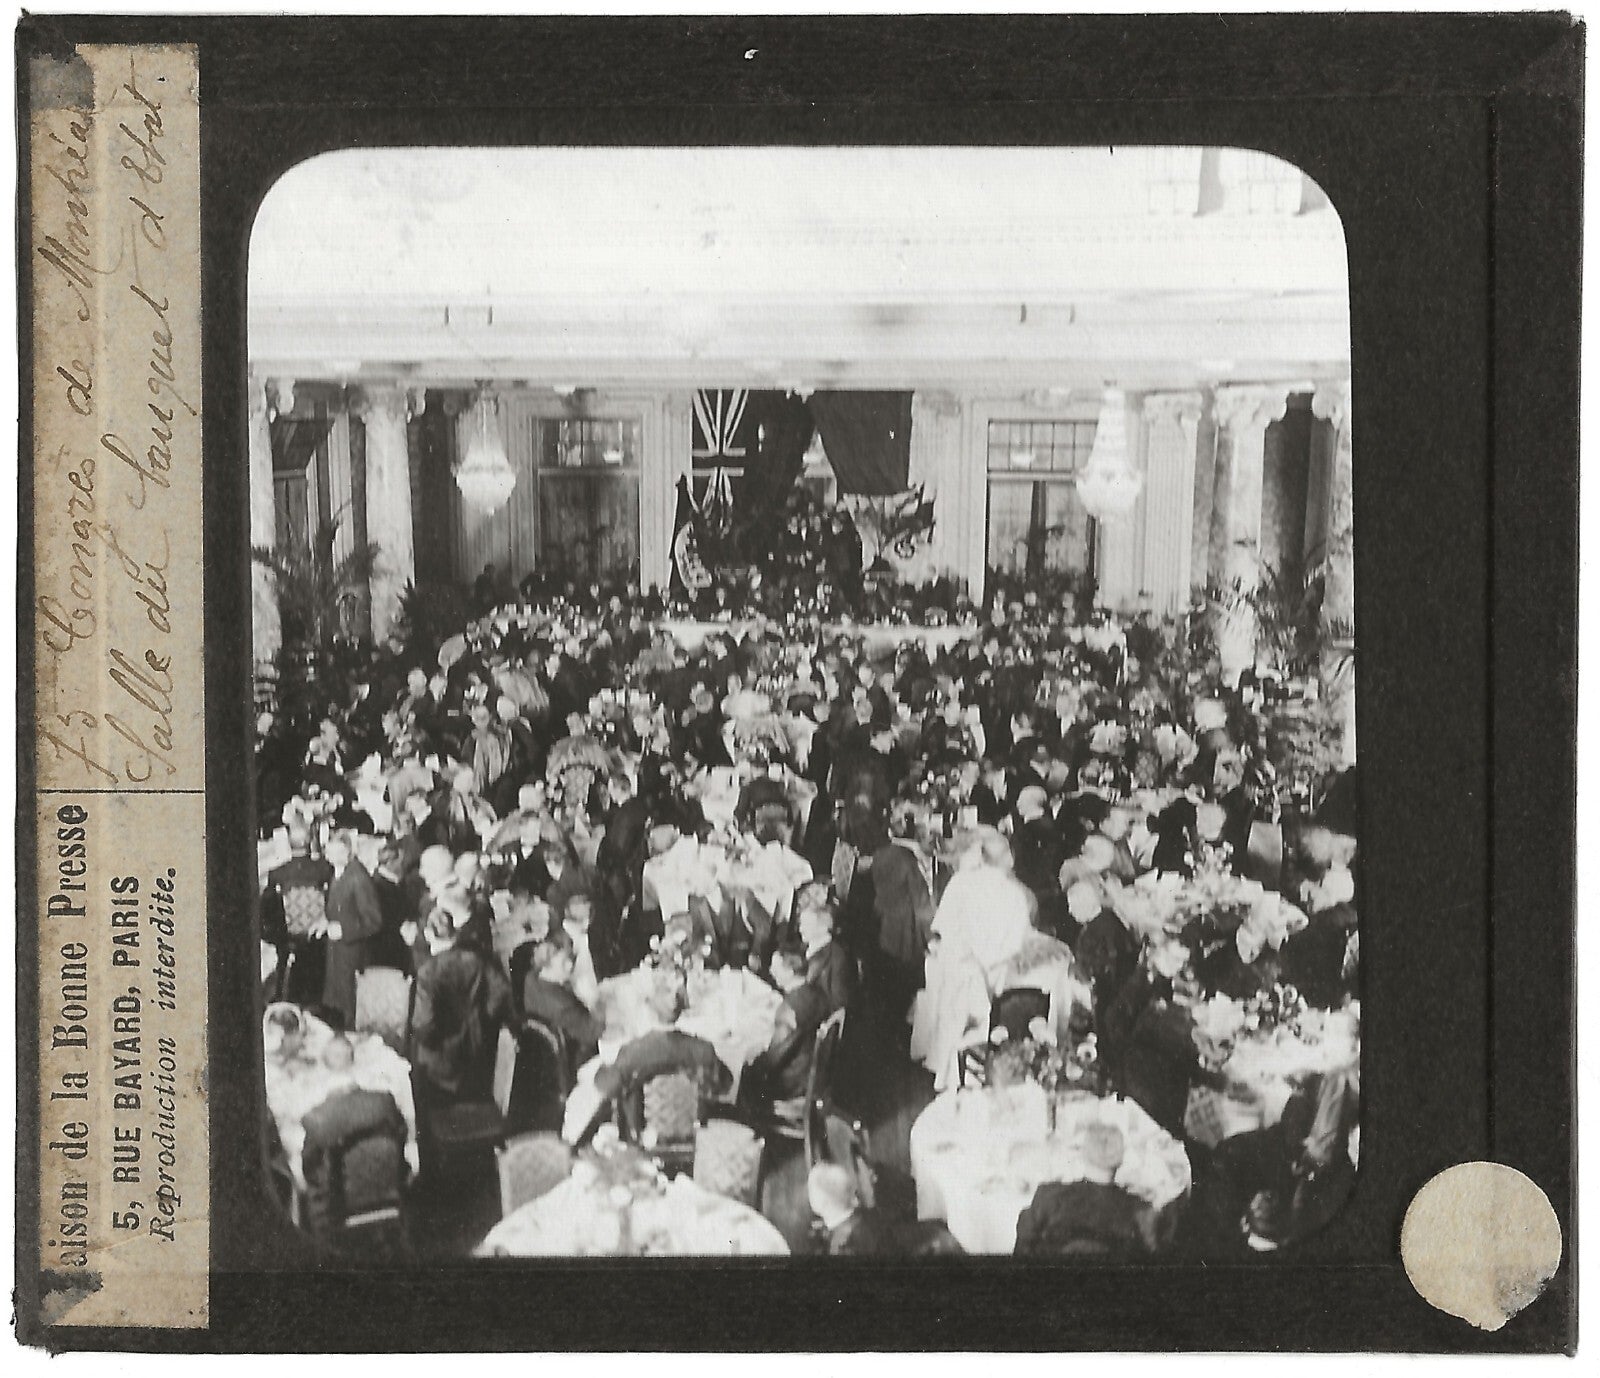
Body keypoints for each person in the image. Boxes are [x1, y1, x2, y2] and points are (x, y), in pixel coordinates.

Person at [408, 909, 516, 1103]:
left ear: (429, 935)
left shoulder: (428, 972)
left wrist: (434, 1040)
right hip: (476, 1044)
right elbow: (501, 991)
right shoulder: (476, 959)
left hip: (439, 1059)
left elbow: (423, 1024)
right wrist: (480, 1017)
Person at [1013, 1125, 1156, 1257]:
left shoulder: (1048, 1197)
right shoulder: (1139, 1211)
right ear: (1120, 1159)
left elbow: (1021, 1257)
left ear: (1084, 1154)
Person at [741, 941, 831, 1109]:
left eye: (776, 967)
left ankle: (751, 1126)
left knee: (743, 1075)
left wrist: (748, 1061)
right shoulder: (816, 992)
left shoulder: (790, 1008)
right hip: (812, 1075)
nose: (770, 971)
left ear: (789, 972)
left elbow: (773, 1059)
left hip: (794, 1084)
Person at [259, 820, 333, 1004]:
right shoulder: (324, 868)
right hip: (318, 938)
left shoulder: (277, 872)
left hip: (289, 937)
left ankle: (285, 991)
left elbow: (267, 907)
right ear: (309, 841)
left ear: (288, 844)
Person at [320, 830, 385, 1028]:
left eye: (334, 852)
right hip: (338, 953)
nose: (328, 856)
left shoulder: (358, 878)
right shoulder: (339, 871)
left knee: (351, 1008)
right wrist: (324, 921)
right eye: (328, 851)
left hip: (352, 955)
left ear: (348, 852)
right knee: (339, 1005)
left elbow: (374, 921)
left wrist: (344, 930)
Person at [519, 930, 605, 1067]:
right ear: (547, 964)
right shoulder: (563, 1007)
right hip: (579, 1060)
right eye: (564, 962)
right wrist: (594, 1000)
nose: (570, 966)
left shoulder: (531, 979)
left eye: (571, 959)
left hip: (548, 1053)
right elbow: (596, 1032)